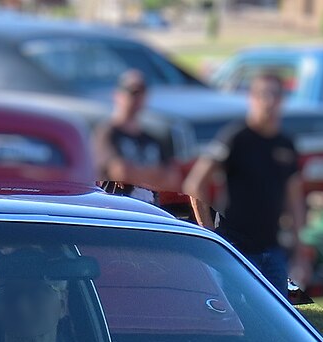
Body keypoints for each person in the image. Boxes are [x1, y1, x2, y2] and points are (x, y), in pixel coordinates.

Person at [182, 72, 308, 295]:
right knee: (232, 312)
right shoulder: (236, 138)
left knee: (274, 312)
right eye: (263, 95)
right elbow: (195, 183)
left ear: (282, 100)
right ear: (252, 98)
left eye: (275, 95)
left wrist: (300, 250)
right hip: (236, 248)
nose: (269, 102)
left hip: (273, 250)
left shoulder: (285, 144)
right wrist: (209, 234)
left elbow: (294, 199)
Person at [94, 70, 180, 201]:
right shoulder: (106, 134)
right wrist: (155, 175)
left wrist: (136, 173)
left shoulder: (153, 139)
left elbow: (172, 179)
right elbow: (120, 174)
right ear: (118, 95)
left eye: (142, 93)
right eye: (133, 92)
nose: (137, 98)